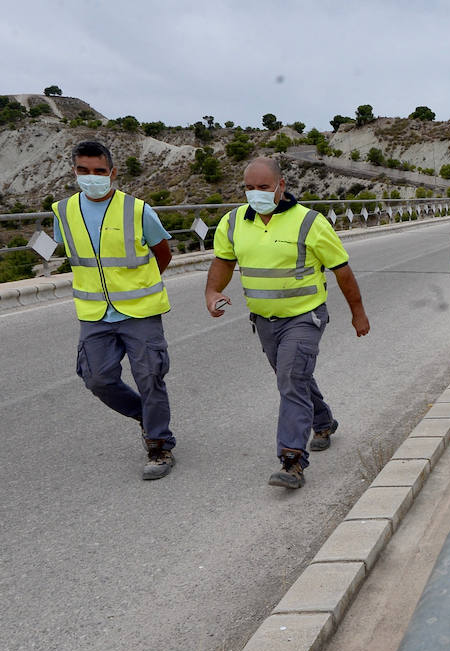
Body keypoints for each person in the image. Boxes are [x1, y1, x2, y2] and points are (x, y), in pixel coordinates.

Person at [204, 157, 370, 489]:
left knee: (291, 378)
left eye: (263, 187)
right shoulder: (233, 222)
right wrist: (212, 291)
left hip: (305, 316)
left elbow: (342, 271)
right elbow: (223, 261)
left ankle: (292, 460)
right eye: (249, 188)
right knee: (293, 377)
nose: (255, 194)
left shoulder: (310, 222)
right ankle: (323, 420)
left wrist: (358, 312)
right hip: (265, 321)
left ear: (282, 185)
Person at [53, 139, 177, 480]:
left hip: (139, 311)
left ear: (113, 172)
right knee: (96, 379)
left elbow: (162, 253)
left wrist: (141, 284)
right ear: (74, 171)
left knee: (150, 377)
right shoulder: (63, 212)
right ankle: (144, 415)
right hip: (94, 314)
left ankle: (159, 445)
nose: (91, 177)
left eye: (99, 171)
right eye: (83, 171)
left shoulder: (138, 210)